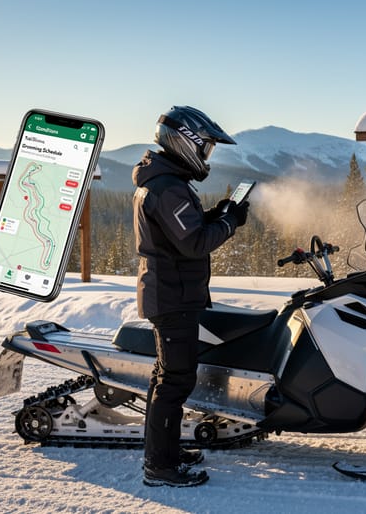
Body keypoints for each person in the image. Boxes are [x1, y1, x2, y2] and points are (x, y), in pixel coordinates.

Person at [132, 105, 249, 487]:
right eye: (206, 148)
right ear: (186, 143)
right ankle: (160, 468)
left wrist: (221, 212)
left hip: (171, 294)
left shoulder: (167, 182)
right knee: (175, 381)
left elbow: (186, 231)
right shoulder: (167, 189)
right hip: (172, 299)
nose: (206, 157)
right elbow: (196, 243)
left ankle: (163, 452)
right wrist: (230, 222)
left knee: (166, 377)